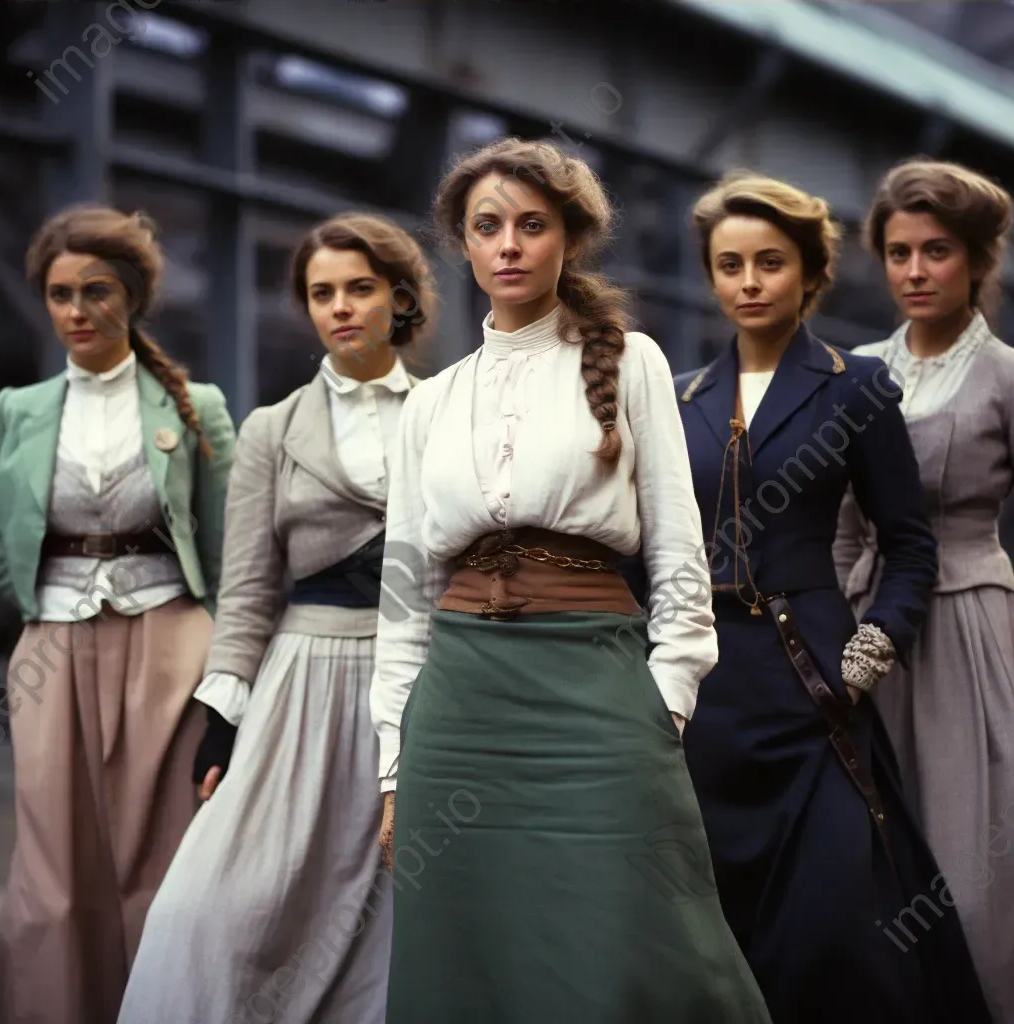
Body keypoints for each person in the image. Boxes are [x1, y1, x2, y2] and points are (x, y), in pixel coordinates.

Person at [370, 137, 771, 1024]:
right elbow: (403, 600)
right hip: (461, 710)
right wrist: (394, 766)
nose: (509, 244)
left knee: (645, 938)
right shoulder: (429, 402)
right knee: (469, 951)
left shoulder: (634, 363)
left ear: (569, 239)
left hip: (598, 689)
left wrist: (665, 698)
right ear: (464, 247)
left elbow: (678, 554)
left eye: (531, 225)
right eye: (487, 227)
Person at [674, 172, 993, 1024]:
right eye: (729, 265)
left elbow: (909, 547)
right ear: (709, 276)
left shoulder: (857, 388)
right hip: (706, 696)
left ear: (810, 272)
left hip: (814, 680)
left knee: (839, 923)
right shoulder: (679, 400)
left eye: (769, 263)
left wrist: (864, 659)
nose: (748, 282)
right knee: (721, 918)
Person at [117, 213, 434, 1024]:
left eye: (360, 288)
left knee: (401, 906)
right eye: (322, 293)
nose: (341, 307)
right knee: (215, 902)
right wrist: (222, 721)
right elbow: (250, 589)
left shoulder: (448, 412)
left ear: (399, 299)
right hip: (302, 683)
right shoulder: (273, 429)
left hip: (424, 684)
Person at [0, 204, 235, 1024]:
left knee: (159, 860)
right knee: (52, 869)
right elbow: (0, 538)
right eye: (60, 294)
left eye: (97, 291)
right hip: (51, 643)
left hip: (168, 640)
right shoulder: (15, 411)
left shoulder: (196, 404)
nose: (76, 312)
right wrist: (26, 602)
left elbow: (233, 554)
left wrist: (231, 688)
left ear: (131, 296)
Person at [834, 159, 1014, 1023]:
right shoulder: (856, 370)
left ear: (977, 261)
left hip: (968, 624)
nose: (913, 270)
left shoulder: (1006, 376)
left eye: (936, 251)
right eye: (898, 252)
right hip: (862, 625)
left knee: (969, 847)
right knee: (863, 853)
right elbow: (834, 523)